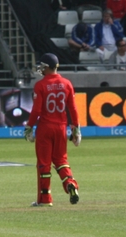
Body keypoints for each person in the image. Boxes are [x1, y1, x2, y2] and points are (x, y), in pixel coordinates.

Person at [24, 54, 81, 207]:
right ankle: (71, 183)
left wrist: (29, 126)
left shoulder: (41, 85)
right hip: (61, 127)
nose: (40, 69)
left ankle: (45, 199)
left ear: (48, 66)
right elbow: (73, 109)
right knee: (61, 161)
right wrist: (76, 128)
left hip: (45, 127)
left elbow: (36, 110)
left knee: (44, 163)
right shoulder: (67, 83)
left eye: (42, 66)